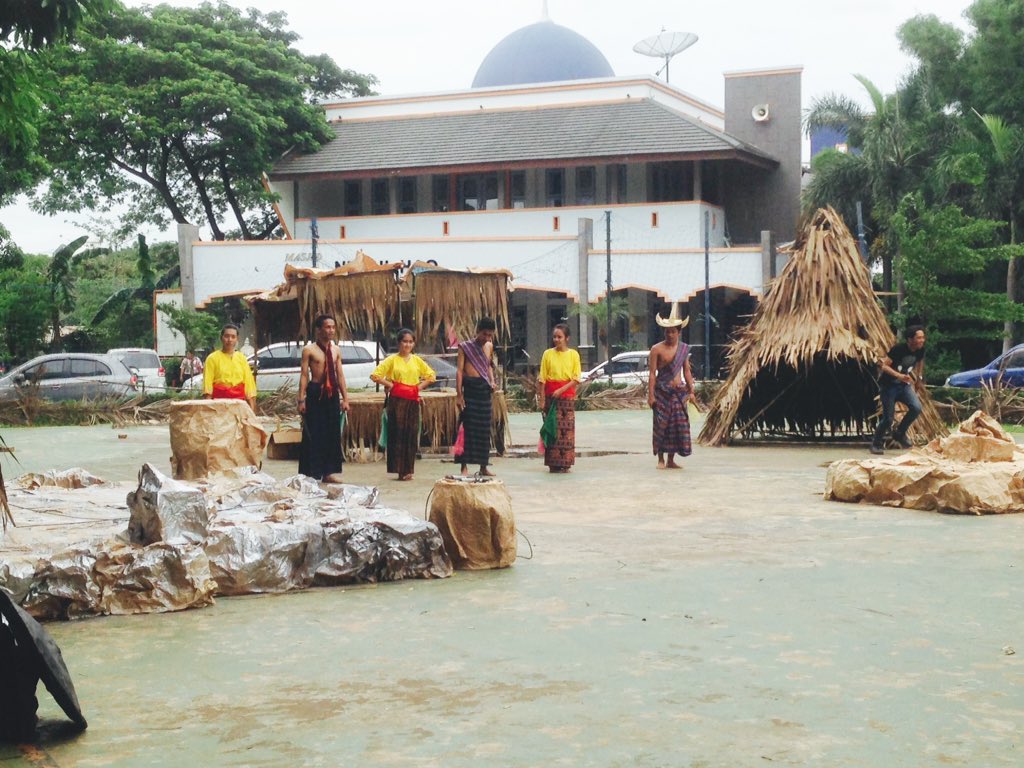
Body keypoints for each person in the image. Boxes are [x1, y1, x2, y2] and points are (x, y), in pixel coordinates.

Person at [370, 329, 436, 480]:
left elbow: (431, 376)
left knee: (411, 433)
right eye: (404, 341)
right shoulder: (392, 360)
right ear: (399, 343)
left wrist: (418, 387)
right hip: (396, 401)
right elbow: (375, 375)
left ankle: (409, 469)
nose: (407, 345)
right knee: (397, 434)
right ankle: (399, 469)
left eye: (410, 342)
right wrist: (390, 384)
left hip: (412, 400)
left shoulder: (417, 360)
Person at [298, 315, 350, 482]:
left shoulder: (336, 350)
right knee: (314, 433)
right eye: (327, 327)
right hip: (315, 392)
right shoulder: (309, 350)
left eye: (333, 327)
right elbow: (304, 375)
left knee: (331, 433)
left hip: (332, 394)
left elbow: (340, 375)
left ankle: (328, 472)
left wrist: (345, 399)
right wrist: (301, 399)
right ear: (319, 330)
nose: (331, 330)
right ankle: (312, 473)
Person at [648, 303, 695, 469]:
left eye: (673, 331)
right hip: (662, 393)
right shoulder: (656, 349)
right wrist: (651, 395)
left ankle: (671, 459)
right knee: (662, 425)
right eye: (667, 331)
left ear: (679, 332)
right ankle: (660, 459)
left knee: (677, 426)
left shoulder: (683, 349)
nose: (669, 334)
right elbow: (652, 373)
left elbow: (687, 371)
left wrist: (691, 390)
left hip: (678, 394)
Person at [870, 326, 926, 455]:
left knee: (916, 407)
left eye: (923, 337)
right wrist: (899, 376)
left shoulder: (920, 350)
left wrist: (919, 378)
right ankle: (876, 444)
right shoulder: (898, 349)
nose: (922, 340)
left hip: (903, 386)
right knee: (888, 419)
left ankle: (899, 433)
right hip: (888, 386)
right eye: (919, 337)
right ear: (910, 339)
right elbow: (884, 366)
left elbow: (920, 362)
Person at [537, 323, 582, 473]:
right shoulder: (547, 354)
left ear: (567, 338)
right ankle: (553, 462)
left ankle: (566, 462)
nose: (556, 339)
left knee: (566, 432)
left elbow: (576, 378)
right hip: (551, 398)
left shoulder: (573, 354)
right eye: (555, 337)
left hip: (566, 399)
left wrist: (561, 390)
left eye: (560, 337)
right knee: (552, 428)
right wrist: (542, 399)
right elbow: (542, 378)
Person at [456, 317, 497, 476]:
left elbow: (488, 366)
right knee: (467, 428)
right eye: (484, 334)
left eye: (489, 335)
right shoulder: (464, 347)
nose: (486, 338)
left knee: (483, 429)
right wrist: (459, 395)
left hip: (484, 391)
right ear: (477, 331)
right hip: (470, 390)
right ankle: (463, 467)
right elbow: (459, 371)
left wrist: (492, 382)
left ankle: (483, 467)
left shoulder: (489, 346)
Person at [203, 324, 256, 410]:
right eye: (226, 336)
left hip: (239, 404)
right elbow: (207, 387)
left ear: (237, 339)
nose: (229, 340)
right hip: (218, 404)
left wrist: (251, 411)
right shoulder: (212, 358)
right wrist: (207, 409)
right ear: (221, 338)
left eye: (233, 337)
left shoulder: (242, 358)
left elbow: (249, 386)